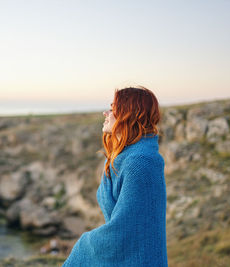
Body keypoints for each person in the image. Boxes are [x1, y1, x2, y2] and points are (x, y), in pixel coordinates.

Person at [62, 87, 168, 267]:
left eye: (113, 109)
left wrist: (84, 245)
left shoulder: (140, 163)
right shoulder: (123, 158)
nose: (106, 113)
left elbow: (126, 230)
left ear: (129, 114)